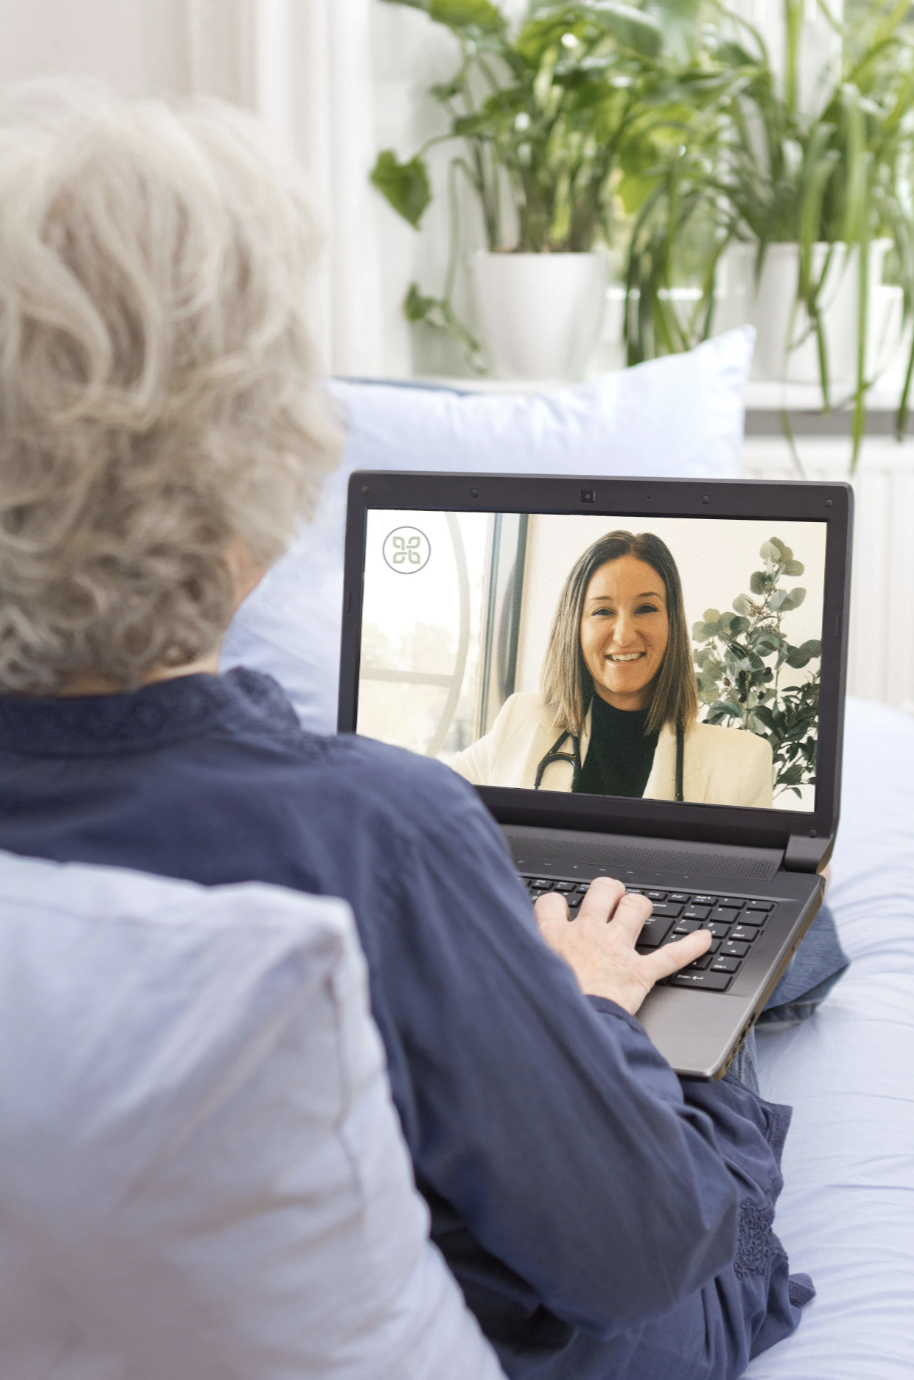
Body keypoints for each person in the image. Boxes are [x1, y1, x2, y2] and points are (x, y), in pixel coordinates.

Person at [0, 84, 847, 1380]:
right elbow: (644, 1255)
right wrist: (593, 1014)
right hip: (546, 1308)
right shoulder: (385, 831)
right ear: (256, 485)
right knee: (720, 1066)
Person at [451, 530, 774, 806]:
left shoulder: (741, 762)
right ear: (574, 627)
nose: (624, 635)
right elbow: (427, 801)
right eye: (602, 611)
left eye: (646, 608)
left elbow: (749, 876)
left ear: (672, 623)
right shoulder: (521, 720)